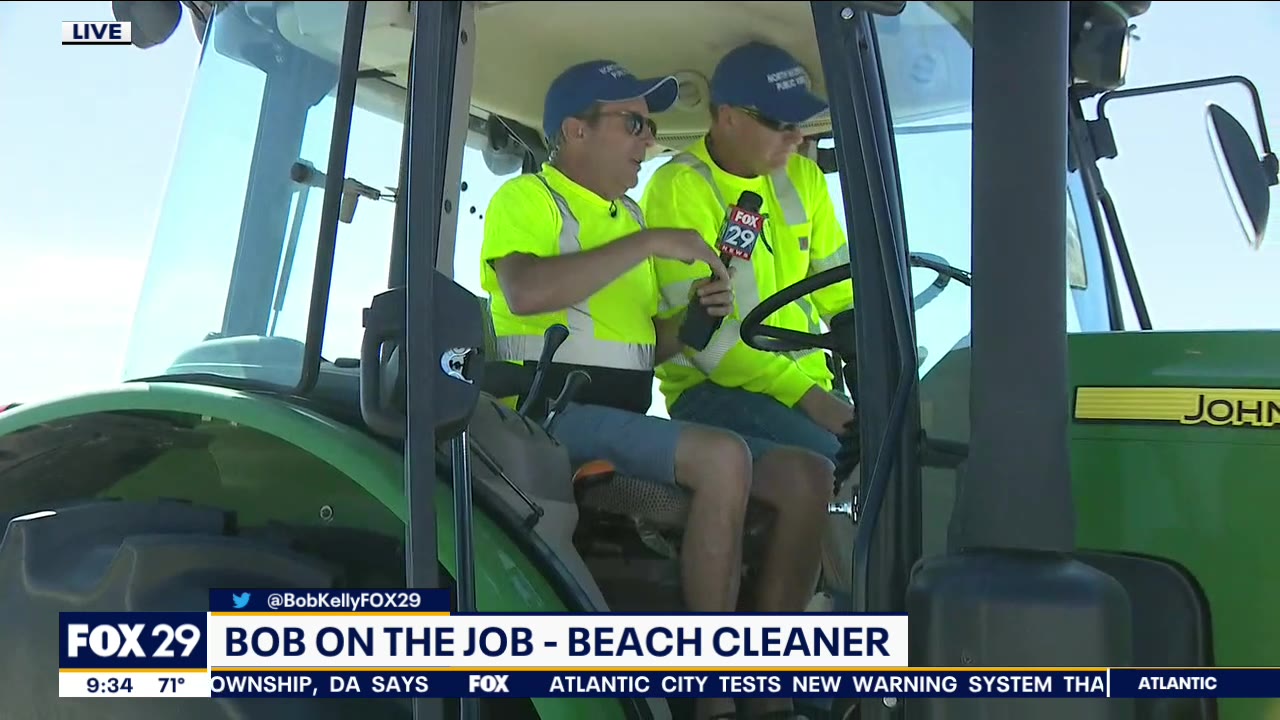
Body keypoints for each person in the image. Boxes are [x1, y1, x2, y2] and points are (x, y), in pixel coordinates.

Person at [481, 58, 833, 720]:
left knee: (806, 475)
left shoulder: (629, 217)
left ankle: (772, 687)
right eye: (634, 123)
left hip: (625, 415)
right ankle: (712, 692)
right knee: (721, 456)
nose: (649, 139)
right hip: (545, 418)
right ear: (574, 131)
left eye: (650, 126)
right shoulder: (530, 199)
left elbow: (656, 344)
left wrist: (701, 316)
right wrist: (646, 244)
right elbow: (526, 292)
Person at [641, 41, 857, 480]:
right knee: (838, 470)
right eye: (780, 123)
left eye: (798, 121)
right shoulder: (679, 187)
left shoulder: (805, 177)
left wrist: (864, 352)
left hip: (807, 384)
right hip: (714, 389)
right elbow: (707, 340)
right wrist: (814, 400)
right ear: (729, 118)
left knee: (902, 458)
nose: (797, 136)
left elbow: (841, 290)